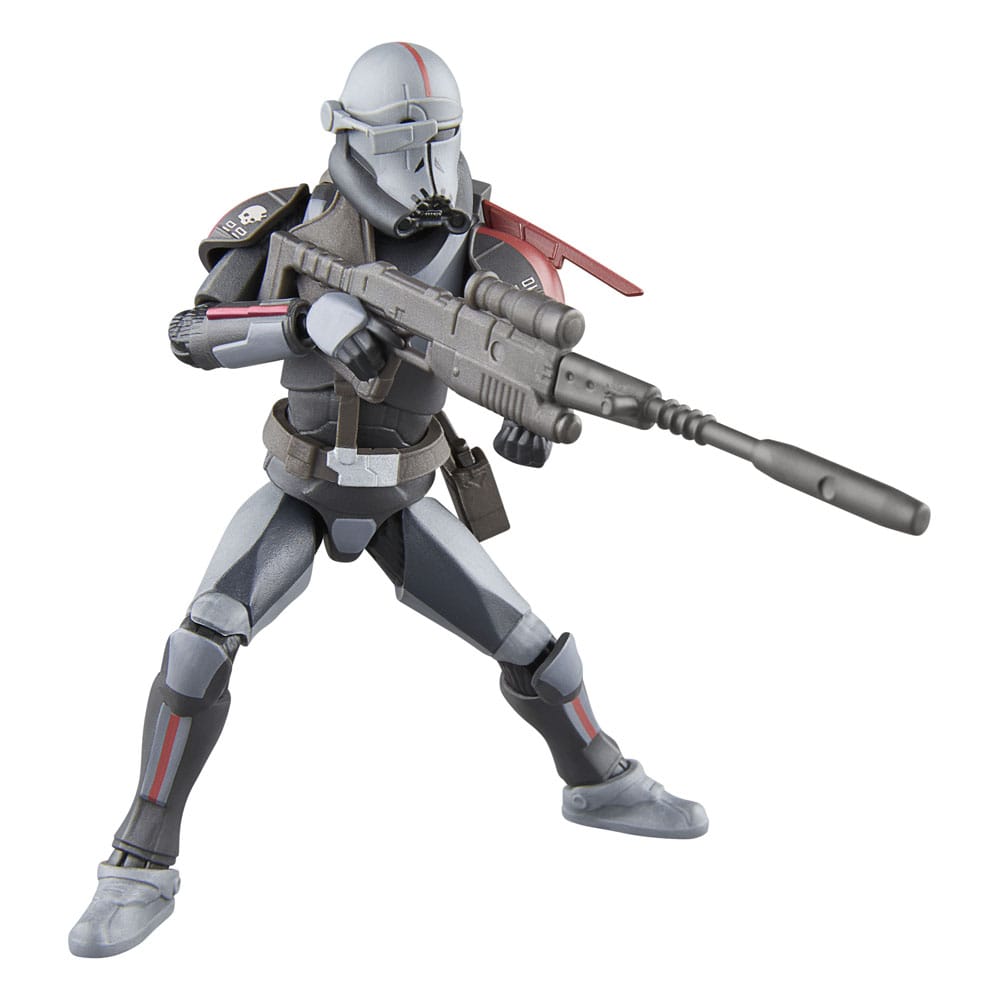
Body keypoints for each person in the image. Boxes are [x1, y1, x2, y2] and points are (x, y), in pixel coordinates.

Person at [68, 41, 707, 959]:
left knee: (536, 649)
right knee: (200, 644)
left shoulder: (490, 251)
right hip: (301, 485)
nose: (427, 163)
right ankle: (139, 862)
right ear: (349, 132)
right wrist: (302, 320)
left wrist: (528, 421)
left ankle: (601, 782)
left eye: (440, 137)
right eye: (406, 140)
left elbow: (525, 365)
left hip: (405, 493)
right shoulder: (289, 224)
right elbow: (188, 332)